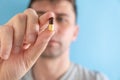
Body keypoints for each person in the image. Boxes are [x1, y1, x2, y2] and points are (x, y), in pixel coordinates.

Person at [0, 0, 108, 80]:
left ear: (75, 32)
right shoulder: (9, 74)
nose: (53, 29)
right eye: (40, 18)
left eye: (62, 19)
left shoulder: (97, 78)